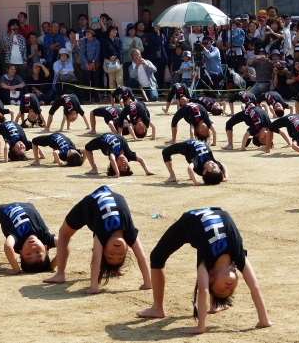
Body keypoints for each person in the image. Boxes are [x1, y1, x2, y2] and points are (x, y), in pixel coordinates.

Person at [137, 207, 272, 335]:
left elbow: (203, 290)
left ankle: (212, 305)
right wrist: (264, 320)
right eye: (230, 291)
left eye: (222, 291)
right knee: (157, 256)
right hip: (209, 213)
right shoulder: (238, 256)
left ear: (209, 278)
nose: (228, 289)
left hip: (189, 223)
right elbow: (254, 286)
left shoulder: (205, 262)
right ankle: (157, 308)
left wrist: (201, 326)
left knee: (156, 256)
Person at [43, 186, 152, 294]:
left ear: (103, 248)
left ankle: (113, 268)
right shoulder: (129, 232)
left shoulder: (101, 235)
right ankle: (60, 273)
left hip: (91, 206)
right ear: (127, 246)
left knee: (64, 233)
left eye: (111, 254)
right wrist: (148, 282)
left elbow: (96, 260)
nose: (117, 251)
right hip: (90, 203)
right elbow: (141, 257)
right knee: (64, 234)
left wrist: (93, 287)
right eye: (120, 255)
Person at [0, 202, 57, 274]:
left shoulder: (17, 243)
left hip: (6, 209)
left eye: (28, 254)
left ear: (21, 253)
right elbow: (63, 243)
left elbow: (8, 246)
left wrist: (16, 269)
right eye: (38, 252)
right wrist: (51, 265)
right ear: (46, 249)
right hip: (27, 205)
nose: (32, 248)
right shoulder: (46, 238)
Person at [83, 133, 154, 178]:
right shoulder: (129, 155)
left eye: (119, 166)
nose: (123, 163)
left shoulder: (114, 153)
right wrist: (147, 171)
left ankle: (94, 169)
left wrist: (117, 174)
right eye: (125, 167)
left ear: (114, 164)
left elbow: (112, 159)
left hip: (102, 140)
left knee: (87, 148)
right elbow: (141, 160)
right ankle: (94, 169)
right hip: (114, 135)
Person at [162, 140, 228, 185]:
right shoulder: (215, 163)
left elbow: (189, 168)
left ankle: (172, 176)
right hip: (198, 142)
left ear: (204, 171)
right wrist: (225, 176)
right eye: (218, 168)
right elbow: (223, 165)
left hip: (187, 145)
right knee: (193, 162)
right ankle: (192, 175)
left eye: (213, 169)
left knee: (165, 152)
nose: (215, 166)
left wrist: (195, 182)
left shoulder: (198, 165)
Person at [80, 28, 101, 102]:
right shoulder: (83, 42)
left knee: (95, 80)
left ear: (93, 33)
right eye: (86, 32)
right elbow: (82, 53)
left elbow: (97, 53)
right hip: (85, 64)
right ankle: (87, 96)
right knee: (86, 80)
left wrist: (92, 62)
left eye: (89, 32)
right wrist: (86, 63)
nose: (87, 33)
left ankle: (96, 96)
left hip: (94, 64)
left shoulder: (97, 42)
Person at [102, 25, 124, 89]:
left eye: (115, 30)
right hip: (109, 62)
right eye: (113, 30)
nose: (115, 31)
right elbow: (103, 51)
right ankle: (113, 94)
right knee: (111, 81)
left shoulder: (119, 40)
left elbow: (121, 50)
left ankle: (121, 94)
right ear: (109, 31)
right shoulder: (105, 41)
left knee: (119, 80)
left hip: (119, 62)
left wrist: (115, 56)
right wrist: (110, 57)